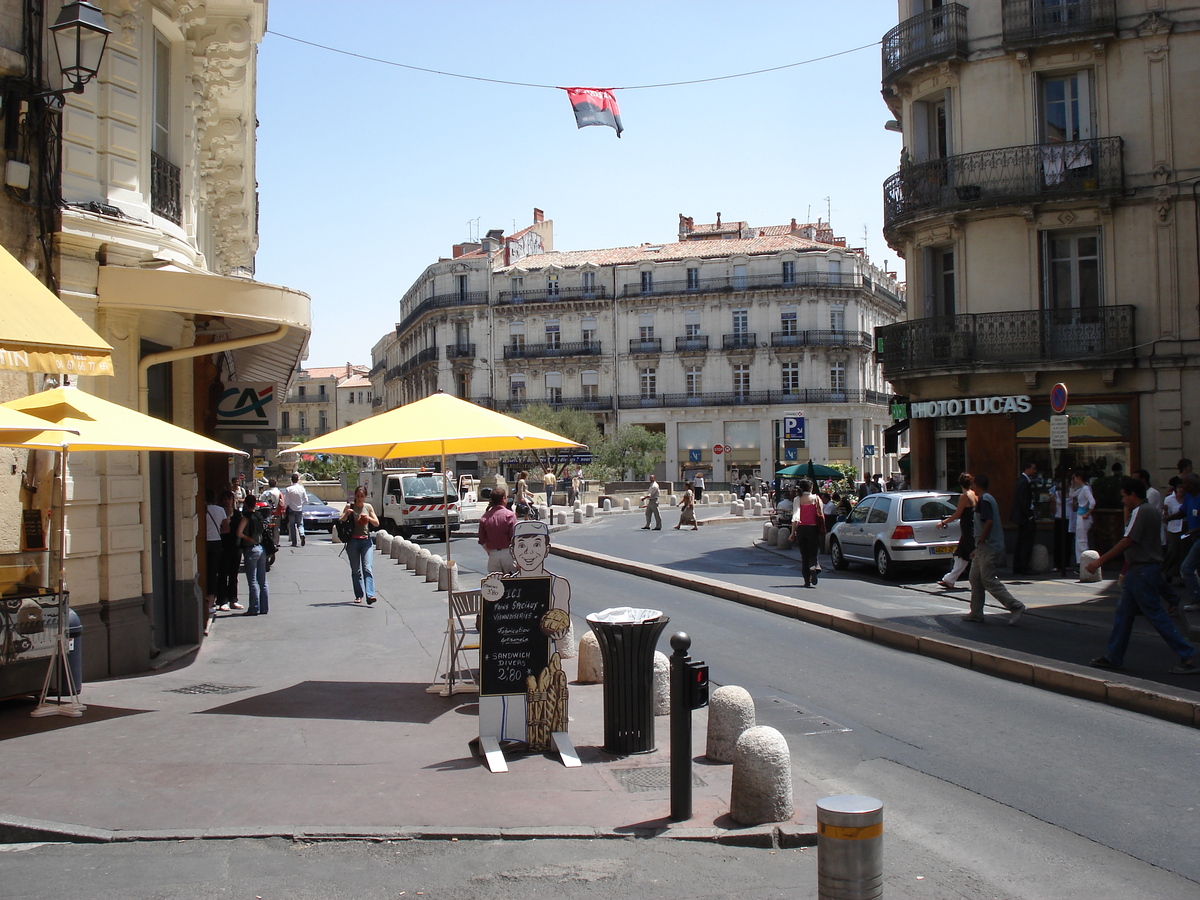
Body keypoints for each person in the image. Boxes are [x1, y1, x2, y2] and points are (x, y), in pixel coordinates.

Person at [1086, 478, 1197, 674]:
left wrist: (1098, 562)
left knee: (1154, 614)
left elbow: (1128, 541)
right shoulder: (1152, 511)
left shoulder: (1141, 511)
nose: (1123, 501)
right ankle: (1114, 656)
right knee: (1124, 614)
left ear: (1132, 495)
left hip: (1141, 570)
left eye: (1124, 496)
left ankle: (1186, 652)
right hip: (1142, 569)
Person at [966, 474, 1027, 625]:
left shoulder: (984, 500)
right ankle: (976, 612)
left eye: (973, 484)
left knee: (987, 579)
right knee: (975, 578)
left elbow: (989, 522)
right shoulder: (987, 499)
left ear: (977, 485)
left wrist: (981, 541)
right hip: (982, 547)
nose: (971, 487)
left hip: (988, 546)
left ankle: (1015, 605)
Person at [339, 485, 378, 605]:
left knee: (367, 568)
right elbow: (340, 521)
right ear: (355, 496)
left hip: (366, 541)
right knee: (356, 570)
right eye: (358, 496)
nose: (359, 498)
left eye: (362, 496)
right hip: (353, 542)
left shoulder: (368, 507)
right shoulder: (349, 506)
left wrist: (369, 518)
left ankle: (370, 595)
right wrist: (347, 514)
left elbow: (376, 523)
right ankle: (358, 595)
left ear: (365, 497)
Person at [937, 472, 976, 589]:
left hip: (967, 529)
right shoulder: (973, 494)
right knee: (961, 555)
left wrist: (943, 522)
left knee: (970, 555)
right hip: (971, 527)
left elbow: (957, 514)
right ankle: (949, 579)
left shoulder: (964, 497)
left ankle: (987, 578)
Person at [234, 494, 268, 616]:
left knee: (252, 581)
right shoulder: (259, 516)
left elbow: (239, 533)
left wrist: (247, 538)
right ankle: (264, 607)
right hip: (261, 549)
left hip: (251, 549)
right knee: (262, 580)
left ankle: (254, 608)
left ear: (246, 504)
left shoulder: (246, 517)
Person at [790, 479, 825, 588]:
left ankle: (806, 580)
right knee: (813, 553)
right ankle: (814, 567)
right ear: (811, 488)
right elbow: (821, 513)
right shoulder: (816, 498)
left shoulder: (797, 499)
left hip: (801, 529)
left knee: (804, 556)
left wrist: (792, 533)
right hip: (813, 529)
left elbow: (795, 517)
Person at [478, 487, 517, 573]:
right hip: (508, 553)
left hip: (493, 554)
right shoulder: (509, 515)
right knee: (512, 582)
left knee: (495, 583)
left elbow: (482, 540)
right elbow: (514, 537)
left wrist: (489, 551)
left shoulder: (485, 517)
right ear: (503, 499)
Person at [216, 490, 242, 611]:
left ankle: (233, 599)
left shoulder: (237, 514)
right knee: (222, 574)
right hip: (223, 547)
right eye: (225, 499)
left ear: (233, 500)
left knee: (233, 575)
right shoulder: (219, 513)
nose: (227, 502)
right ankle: (222, 600)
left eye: (229, 499)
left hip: (235, 548)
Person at [1010, 462, 1038, 575]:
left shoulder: (1023, 481)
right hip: (1025, 517)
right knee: (1026, 542)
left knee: (1021, 541)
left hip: (1023, 516)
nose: (1035, 471)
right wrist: (1029, 515)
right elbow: (1023, 501)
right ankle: (1023, 566)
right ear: (1027, 469)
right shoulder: (1023, 482)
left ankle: (1019, 566)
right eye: (1033, 468)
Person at [203, 489, 226, 621]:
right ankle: (212, 600)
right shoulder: (220, 510)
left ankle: (206, 597)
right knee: (214, 572)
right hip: (216, 542)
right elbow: (226, 528)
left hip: (204, 542)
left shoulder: (202, 509)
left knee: (204, 571)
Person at [1178, 473, 1200, 612]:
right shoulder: (1187, 497)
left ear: (1191, 485)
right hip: (1193, 537)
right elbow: (1182, 513)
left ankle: (1197, 600)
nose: (1182, 486)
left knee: (1186, 568)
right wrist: (1168, 518)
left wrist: (1195, 530)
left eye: (1184, 483)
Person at [1069, 468, 1095, 573]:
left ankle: (1084, 564)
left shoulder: (1085, 489)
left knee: (1082, 540)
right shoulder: (1084, 488)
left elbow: (1092, 502)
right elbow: (1072, 495)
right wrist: (1072, 485)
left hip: (1083, 516)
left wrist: (1087, 513)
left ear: (1079, 478)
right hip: (1081, 515)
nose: (1074, 480)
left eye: (1074, 478)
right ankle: (1082, 563)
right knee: (1080, 540)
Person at [1163, 477, 1186, 584]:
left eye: (1183, 487)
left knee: (1183, 551)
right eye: (1179, 487)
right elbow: (1165, 516)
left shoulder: (1188, 498)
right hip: (1173, 528)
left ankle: (1182, 575)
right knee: (1173, 551)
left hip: (1185, 528)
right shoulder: (1169, 499)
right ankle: (1169, 571)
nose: (1181, 490)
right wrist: (1166, 513)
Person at [283, 472, 308, 547]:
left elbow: (286, 501)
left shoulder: (288, 489)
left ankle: (294, 542)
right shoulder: (302, 489)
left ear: (291, 480)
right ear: (298, 480)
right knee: (300, 524)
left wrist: (285, 509)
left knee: (292, 525)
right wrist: (301, 505)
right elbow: (306, 500)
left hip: (291, 509)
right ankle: (302, 534)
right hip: (299, 509)